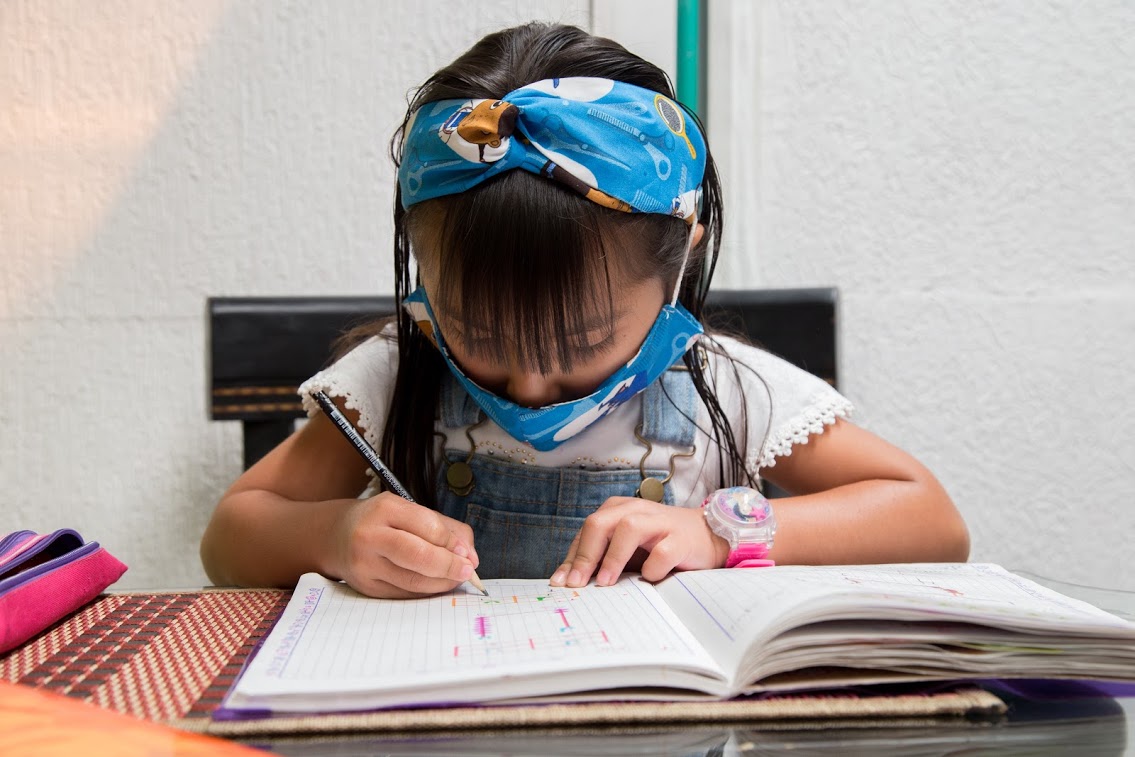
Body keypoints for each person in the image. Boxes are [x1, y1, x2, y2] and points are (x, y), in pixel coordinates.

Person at [200, 22, 969, 599]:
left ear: (680, 261)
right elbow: (229, 537)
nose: (530, 388)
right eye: (480, 336)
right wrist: (335, 534)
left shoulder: (726, 390)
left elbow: (931, 519)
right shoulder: (397, 377)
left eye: (581, 342)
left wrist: (715, 530)